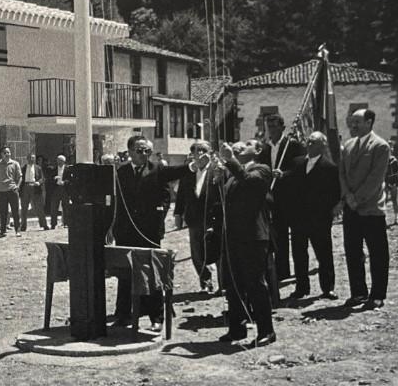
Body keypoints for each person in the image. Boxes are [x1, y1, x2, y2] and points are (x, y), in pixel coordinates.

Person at [110, 134, 187, 333]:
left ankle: (157, 317)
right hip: (126, 232)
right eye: (139, 150)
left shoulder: (157, 169)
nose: (144, 154)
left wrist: (158, 216)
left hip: (149, 233)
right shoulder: (121, 172)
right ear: (129, 152)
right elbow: (114, 202)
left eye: (147, 151)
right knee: (125, 274)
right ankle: (123, 315)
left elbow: (171, 181)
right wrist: (110, 228)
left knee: (152, 274)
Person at [217, 140, 276, 347]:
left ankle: (266, 330)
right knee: (233, 285)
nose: (240, 146)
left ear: (257, 150)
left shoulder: (262, 169)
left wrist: (231, 160)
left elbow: (249, 182)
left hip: (254, 236)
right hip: (233, 236)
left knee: (255, 284)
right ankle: (236, 328)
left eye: (248, 144)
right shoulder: (233, 173)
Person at [339, 108, 391, 308]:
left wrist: (356, 199)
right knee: (352, 251)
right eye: (352, 122)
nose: (353, 125)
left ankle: (377, 295)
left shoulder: (380, 146)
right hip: (351, 209)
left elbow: (375, 179)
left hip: (371, 209)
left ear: (369, 122)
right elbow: (342, 173)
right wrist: (347, 196)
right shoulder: (348, 145)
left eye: (357, 122)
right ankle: (358, 292)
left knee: (377, 253)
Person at [290, 131, 341, 300]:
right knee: (299, 254)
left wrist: (330, 212)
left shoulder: (329, 168)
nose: (309, 145)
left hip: (319, 219)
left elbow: (334, 193)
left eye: (313, 142)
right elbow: (290, 186)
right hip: (299, 218)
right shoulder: (297, 163)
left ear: (322, 145)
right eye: (308, 142)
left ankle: (328, 288)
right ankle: (301, 287)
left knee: (324, 254)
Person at [261, 114, 306, 288]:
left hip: (292, 199)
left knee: (297, 239)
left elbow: (301, 167)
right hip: (274, 200)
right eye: (268, 126)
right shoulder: (266, 148)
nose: (271, 129)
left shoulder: (292, 145)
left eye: (274, 126)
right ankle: (282, 271)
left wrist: (284, 175)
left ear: (282, 127)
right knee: (278, 238)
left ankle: (301, 275)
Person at [174, 140, 224, 293]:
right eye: (196, 151)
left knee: (217, 252)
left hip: (213, 218)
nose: (200, 154)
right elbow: (181, 195)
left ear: (210, 153)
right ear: (192, 154)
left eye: (203, 150)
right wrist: (178, 213)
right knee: (197, 254)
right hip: (194, 219)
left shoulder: (217, 170)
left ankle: (223, 285)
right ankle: (206, 280)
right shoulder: (188, 172)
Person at [0, 146, 23, 237]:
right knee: (3, 212)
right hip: (1, 191)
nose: (7, 154)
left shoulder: (15, 164)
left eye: (8, 152)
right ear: (1, 154)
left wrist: (17, 186)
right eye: (5, 153)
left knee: (15, 211)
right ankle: (3, 231)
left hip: (12, 190)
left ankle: (17, 230)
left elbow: (20, 176)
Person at [19, 153, 48, 231]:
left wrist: (38, 182)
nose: (32, 160)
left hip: (35, 187)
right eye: (31, 158)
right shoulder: (23, 168)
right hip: (25, 187)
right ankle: (23, 226)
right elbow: (20, 178)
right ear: (27, 159)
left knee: (39, 207)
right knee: (24, 208)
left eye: (33, 158)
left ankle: (44, 224)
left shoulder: (38, 168)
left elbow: (42, 178)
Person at [46, 153, 69, 229]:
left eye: (61, 161)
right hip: (55, 189)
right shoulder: (53, 169)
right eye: (58, 161)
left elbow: (70, 180)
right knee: (54, 207)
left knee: (66, 207)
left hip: (64, 190)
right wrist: (54, 179)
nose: (59, 162)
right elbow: (49, 179)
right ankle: (53, 223)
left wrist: (64, 182)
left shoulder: (67, 169)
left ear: (64, 161)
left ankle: (66, 223)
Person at [385, 137, 398, 226]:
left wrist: (396, 181)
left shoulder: (394, 160)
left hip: (393, 182)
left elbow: (397, 171)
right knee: (383, 200)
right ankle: (383, 217)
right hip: (384, 182)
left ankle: (396, 217)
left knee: (394, 199)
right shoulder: (382, 160)